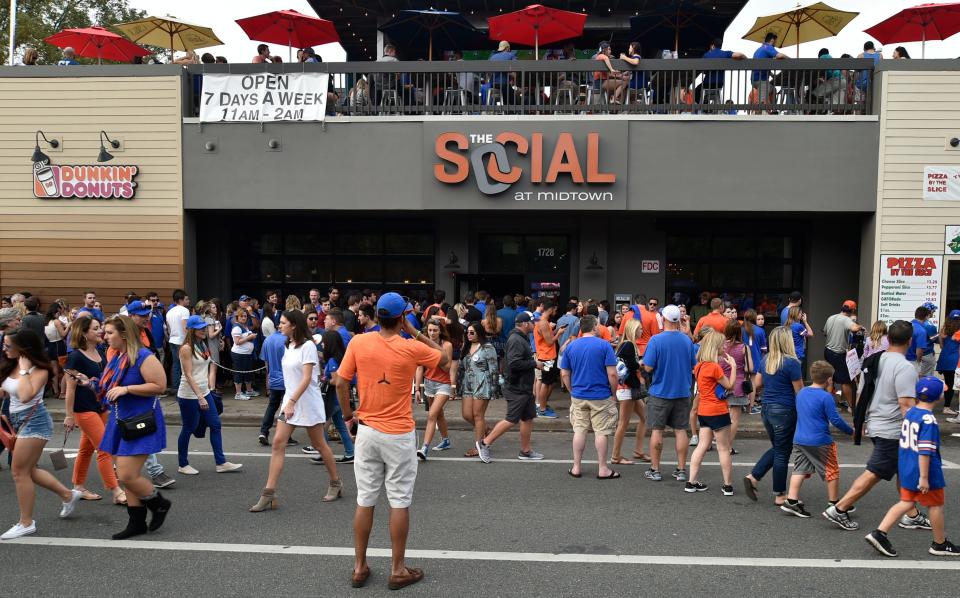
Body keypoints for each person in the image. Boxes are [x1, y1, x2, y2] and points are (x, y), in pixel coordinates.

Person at [334, 292, 448, 590]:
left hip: (367, 429)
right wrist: (416, 332)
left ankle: (359, 567)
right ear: (401, 318)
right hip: (398, 433)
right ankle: (397, 569)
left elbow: (341, 381)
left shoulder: (359, 342)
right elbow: (445, 358)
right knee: (398, 500)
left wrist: (348, 416)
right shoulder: (411, 348)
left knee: (365, 498)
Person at [823, 320, 928, 531]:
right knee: (875, 472)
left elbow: (862, 394)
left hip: (877, 422)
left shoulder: (873, 360)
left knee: (902, 469)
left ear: (888, 338)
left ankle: (911, 513)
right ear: (910, 341)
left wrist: (860, 421)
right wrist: (921, 430)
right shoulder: (905, 367)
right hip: (893, 428)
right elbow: (906, 404)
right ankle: (840, 508)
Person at [249, 310, 343, 512]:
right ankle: (269, 494)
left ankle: (336, 482)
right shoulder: (288, 345)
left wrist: (291, 401)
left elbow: (307, 378)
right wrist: (288, 401)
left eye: (283, 323)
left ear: (294, 325)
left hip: (306, 402)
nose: (279, 326)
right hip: (291, 401)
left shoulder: (308, 346)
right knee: (277, 443)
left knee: (319, 445)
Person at [0, 329, 83, 540]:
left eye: (8, 345)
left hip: (34, 422)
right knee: (29, 470)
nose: (4, 348)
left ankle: (26, 523)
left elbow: (27, 396)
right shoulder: (10, 364)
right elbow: (6, 391)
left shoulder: (39, 369)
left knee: (19, 471)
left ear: (23, 348)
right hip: (16, 422)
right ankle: (68, 494)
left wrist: (25, 370)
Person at [865, 377, 959, 557]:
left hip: (907, 467)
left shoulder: (911, 413)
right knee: (936, 504)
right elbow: (925, 451)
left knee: (905, 502)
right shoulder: (929, 420)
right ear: (938, 396)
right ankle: (940, 543)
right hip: (926, 471)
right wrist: (924, 477)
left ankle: (880, 533)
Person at [96, 316, 170, 540]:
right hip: (121, 420)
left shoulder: (144, 356)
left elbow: (160, 386)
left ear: (125, 334)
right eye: (105, 333)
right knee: (127, 475)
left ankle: (159, 503)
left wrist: (127, 389)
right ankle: (136, 522)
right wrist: (87, 382)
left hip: (140, 422)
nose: (105, 336)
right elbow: (108, 386)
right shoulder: (117, 357)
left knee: (127, 475)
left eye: (109, 333)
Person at [63, 318, 125, 505]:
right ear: (83, 333)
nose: (101, 332)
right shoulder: (75, 356)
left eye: (101, 329)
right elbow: (70, 389)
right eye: (96, 329)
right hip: (83, 409)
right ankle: (116, 491)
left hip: (101, 407)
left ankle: (78, 487)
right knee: (104, 449)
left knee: (86, 449)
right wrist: (68, 415)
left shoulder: (100, 352)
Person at [780, 361, 854, 518]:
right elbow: (835, 420)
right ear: (828, 379)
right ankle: (834, 503)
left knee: (799, 468)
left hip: (800, 438)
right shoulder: (826, 397)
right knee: (832, 471)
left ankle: (792, 500)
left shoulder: (801, 393)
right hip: (820, 441)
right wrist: (851, 431)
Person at [744, 327, 803, 505]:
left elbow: (759, 383)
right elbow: (799, 392)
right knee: (782, 452)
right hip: (785, 410)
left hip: (767, 409)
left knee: (779, 447)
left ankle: (754, 476)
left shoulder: (766, 359)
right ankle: (779, 494)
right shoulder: (792, 363)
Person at [177, 315, 242, 475]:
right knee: (188, 428)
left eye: (204, 327)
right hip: (189, 394)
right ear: (191, 330)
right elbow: (189, 374)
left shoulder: (202, 344)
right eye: (200, 328)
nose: (204, 330)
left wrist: (208, 389)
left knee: (215, 425)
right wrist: (199, 396)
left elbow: (206, 368)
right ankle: (183, 464)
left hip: (204, 391)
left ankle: (221, 463)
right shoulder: (186, 348)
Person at [476, 312, 544, 463]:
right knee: (512, 419)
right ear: (526, 324)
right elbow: (514, 363)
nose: (535, 325)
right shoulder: (516, 340)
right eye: (533, 322)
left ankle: (525, 451)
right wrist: (535, 363)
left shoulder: (520, 338)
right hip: (516, 386)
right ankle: (484, 443)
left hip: (524, 386)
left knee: (527, 418)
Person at [641, 305, 697, 482]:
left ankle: (655, 469)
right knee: (681, 430)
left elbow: (648, 366)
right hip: (682, 391)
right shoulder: (687, 341)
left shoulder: (656, 341)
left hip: (660, 392)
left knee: (657, 431)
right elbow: (692, 365)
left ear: (664, 319)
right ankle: (681, 469)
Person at [561, 315, 619, 479]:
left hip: (579, 394)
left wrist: (572, 389)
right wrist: (614, 394)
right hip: (601, 395)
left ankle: (576, 467)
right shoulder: (604, 345)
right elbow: (612, 374)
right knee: (601, 432)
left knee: (579, 430)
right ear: (594, 327)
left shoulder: (571, 346)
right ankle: (602, 468)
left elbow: (565, 373)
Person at [686, 330, 738, 495]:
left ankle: (691, 481)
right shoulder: (714, 367)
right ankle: (727, 485)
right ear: (715, 346)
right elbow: (730, 385)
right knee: (723, 448)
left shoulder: (699, 366)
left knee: (701, 446)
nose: (724, 346)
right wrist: (734, 367)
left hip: (704, 410)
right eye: (722, 344)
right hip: (718, 410)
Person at [415, 319, 454, 460]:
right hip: (429, 383)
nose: (432, 333)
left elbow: (447, 367)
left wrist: (436, 353)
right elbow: (419, 367)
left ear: (440, 331)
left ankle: (424, 448)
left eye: (435, 330)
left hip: (443, 383)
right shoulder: (423, 344)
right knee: (438, 414)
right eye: (430, 330)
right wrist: (417, 388)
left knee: (432, 415)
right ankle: (446, 440)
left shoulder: (446, 345)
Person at [611, 319, 648, 464]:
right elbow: (631, 365)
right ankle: (615, 456)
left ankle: (639, 451)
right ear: (633, 329)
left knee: (645, 417)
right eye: (639, 329)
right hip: (626, 388)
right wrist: (641, 364)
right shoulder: (629, 345)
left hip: (629, 387)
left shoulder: (625, 344)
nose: (641, 331)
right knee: (623, 423)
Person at [460, 322, 499, 455]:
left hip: (483, 382)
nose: (469, 335)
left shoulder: (487, 347)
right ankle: (486, 429)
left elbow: (494, 369)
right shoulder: (466, 346)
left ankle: (479, 447)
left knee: (478, 415)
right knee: (466, 414)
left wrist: (494, 389)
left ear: (479, 333)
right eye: (468, 332)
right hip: (468, 383)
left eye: (472, 332)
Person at [822, 300, 863, 411]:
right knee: (846, 381)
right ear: (852, 310)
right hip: (838, 354)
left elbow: (825, 332)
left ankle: (829, 407)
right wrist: (860, 327)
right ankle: (853, 408)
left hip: (828, 351)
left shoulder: (831, 317)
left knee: (830, 378)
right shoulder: (846, 320)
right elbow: (854, 329)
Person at [721, 319, 752, 453]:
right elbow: (750, 367)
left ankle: (718, 442)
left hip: (721, 385)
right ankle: (727, 447)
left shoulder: (720, 346)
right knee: (734, 419)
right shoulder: (744, 347)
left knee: (720, 416)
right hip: (738, 385)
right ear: (740, 332)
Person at [534, 300, 561, 418]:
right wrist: (559, 333)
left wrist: (555, 331)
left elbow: (548, 338)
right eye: (555, 309)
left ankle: (543, 405)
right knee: (546, 383)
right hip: (546, 357)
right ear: (550, 309)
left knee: (550, 382)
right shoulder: (543, 323)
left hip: (548, 356)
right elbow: (550, 342)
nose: (555, 312)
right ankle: (542, 409)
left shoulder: (544, 322)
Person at [751, 32, 787, 108]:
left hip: (755, 79)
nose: (775, 43)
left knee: (773, 90)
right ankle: (760, 113)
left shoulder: (759, 49)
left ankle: (773, 110)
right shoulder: (768, 47)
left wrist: (771, 75)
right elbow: (779, 56)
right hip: (761, 80)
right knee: (761, 101)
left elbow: (762, 65)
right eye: (775, 42)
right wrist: (792, 61)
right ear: (772, 40)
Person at [165, 289, 190, 392]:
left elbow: (169, 329)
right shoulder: (184, 310)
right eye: (186, 299)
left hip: (172, 340)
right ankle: (184, 388)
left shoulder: (169, 312)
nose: (188, 301)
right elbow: (185, 327)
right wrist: (189, 340)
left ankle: (175, 387)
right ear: (181, 300)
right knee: (185, 365)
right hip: (182, 340)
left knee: (176, 364)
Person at [230, 309, 257, 399]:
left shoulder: (245, 326)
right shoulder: (237, 327)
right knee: (239, 373)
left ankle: (249, 390)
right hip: (239, 354)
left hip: (247, 354)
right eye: (241, 316)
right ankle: (238, 393)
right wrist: (250, 337)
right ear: (237, 317)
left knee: (247, 372)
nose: (244, 318)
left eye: (245, 316)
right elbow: (237, 342)